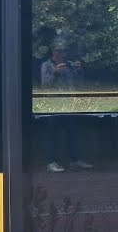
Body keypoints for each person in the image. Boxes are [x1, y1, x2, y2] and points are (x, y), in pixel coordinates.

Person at [39, 43, 92, 172]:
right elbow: (45, 85)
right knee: (53, 134)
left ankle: (74, 161)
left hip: (70, 104)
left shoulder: (69, 65)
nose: (61, 53)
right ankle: (51, 162)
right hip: (54, 104)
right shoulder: (46, 65)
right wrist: (56, 73)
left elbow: (79, 84)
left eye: (63, 51)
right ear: (53, 51)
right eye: (58, 51)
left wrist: (80, 71)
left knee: (73, 133)